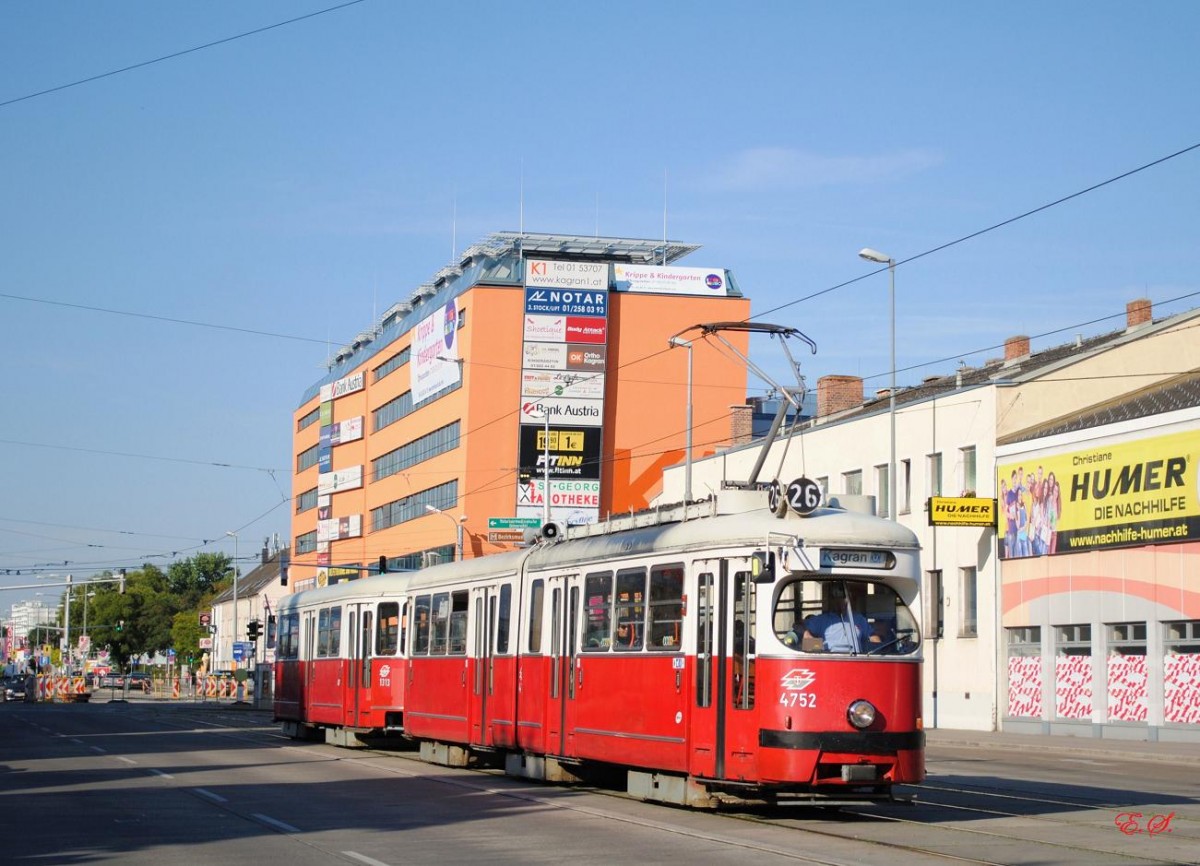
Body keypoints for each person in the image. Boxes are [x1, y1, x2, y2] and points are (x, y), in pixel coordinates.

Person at [803, 585, 873, 653]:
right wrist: (822, 647)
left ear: (850, 599)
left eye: (845, 597)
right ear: (832, 600)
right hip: (829, 661)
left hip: (856, 660)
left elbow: (873, 637)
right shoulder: (821, 620)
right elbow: (803, 638)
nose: (841, 601)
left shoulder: (859, 619)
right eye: (837, 597)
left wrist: (878, 651)